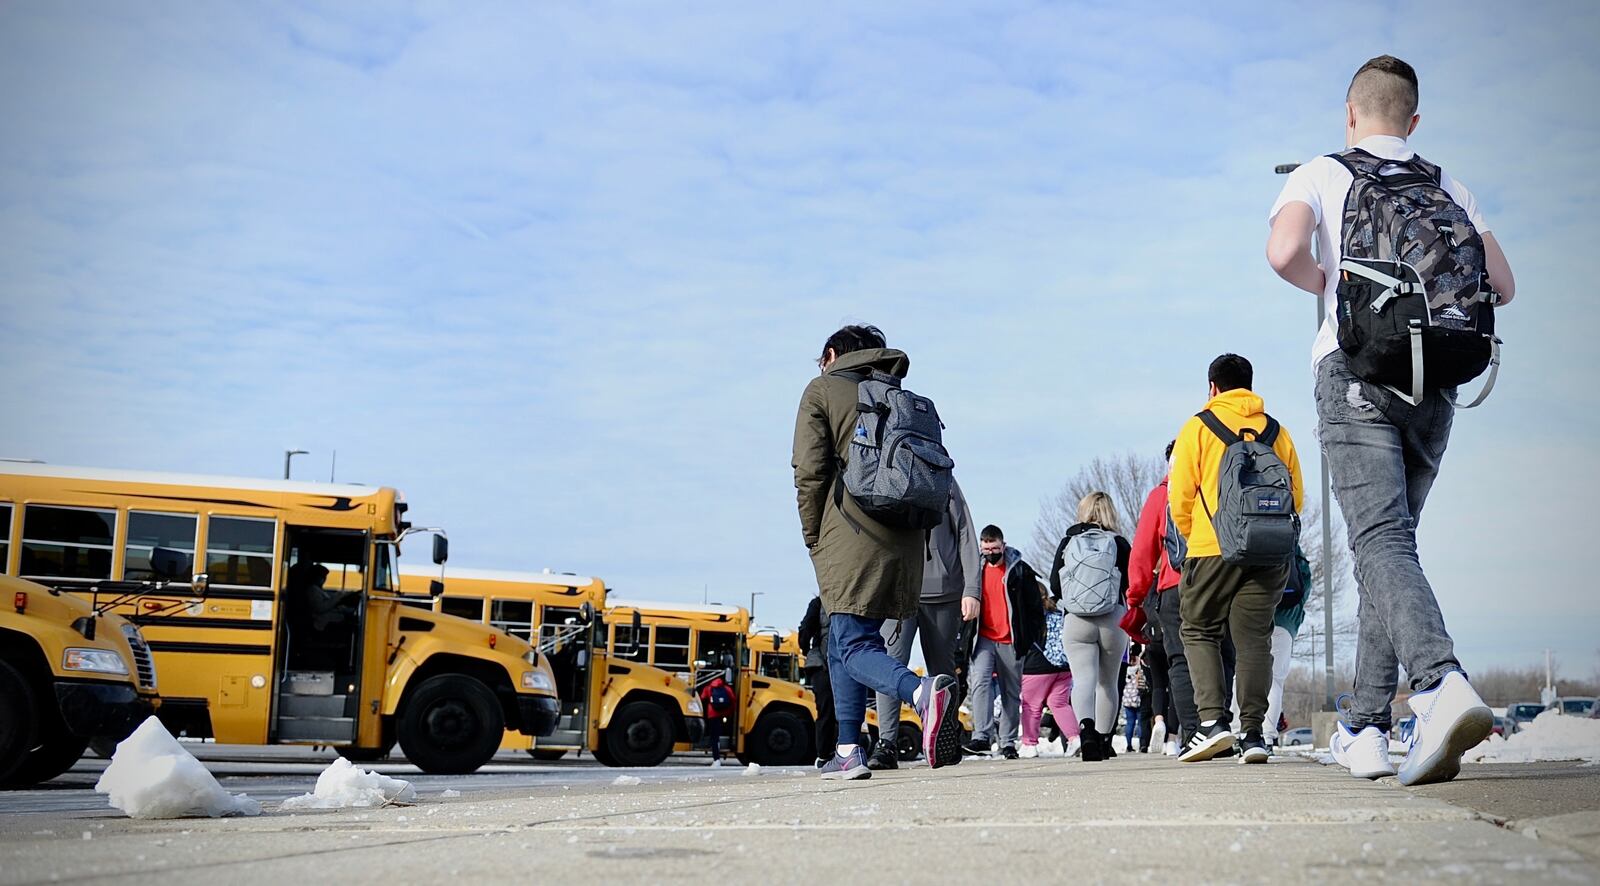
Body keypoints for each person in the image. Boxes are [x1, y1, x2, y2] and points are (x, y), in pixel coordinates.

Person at [1267, 55, 1513, 785]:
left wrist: (1328, 279)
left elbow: (1283, 249)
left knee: (1377, 541)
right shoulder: (1449, 185)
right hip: (1436, 379)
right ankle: (1365, 728)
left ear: (1351, 115)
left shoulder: (1322, 171)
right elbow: (1502, 284)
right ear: (1412, 121)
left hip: (1357, 366)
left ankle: (1438, 683)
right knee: (1391, 544)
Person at [792, 324, 960, 779]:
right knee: (851, 639)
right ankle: (848, 749)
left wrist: (813, 536)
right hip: (905, 539)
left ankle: (921, 694)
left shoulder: (822, 389)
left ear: (831, 354)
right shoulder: (899, 397)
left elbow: (809, 471)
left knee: (848, 643)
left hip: (849, 534)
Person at [1170, 354, 1304, 764]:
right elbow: (1295, 496)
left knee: (1197, 629)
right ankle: (1253, 733)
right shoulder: (1277, 432)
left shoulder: (1198, 427)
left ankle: (1211, 724)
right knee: (1254, 641)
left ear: (1213, 387)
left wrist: (1198, 537)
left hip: (1212, 549)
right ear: (1249, 385)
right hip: (1268, 551)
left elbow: (1180, 498)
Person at [869, 476, 980, 770]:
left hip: (944, 590)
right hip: (899, 588)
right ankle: (887, 743)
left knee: (943, 670)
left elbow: (966, 532)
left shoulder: (946, 481)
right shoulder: (887, 474)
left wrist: (972, 590)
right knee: (890, 665)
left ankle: (948, 737)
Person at [1050, 492, 1132, 762]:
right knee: (1107, 683)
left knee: (1083, 680)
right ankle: (1104, 739)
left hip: (1077, 621)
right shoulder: (1119, 543)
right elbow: (1131, 583)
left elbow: (1054, 584)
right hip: (1112, 619)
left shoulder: (1068, 542)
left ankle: (1085, 732)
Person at [1124, 442, 1185, 755]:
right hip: (1214, 583)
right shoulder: (1215, 488)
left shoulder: (1161, 496)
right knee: (1207, 659)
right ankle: (1201, 727)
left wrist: (1134, 598)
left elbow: (1141, 555)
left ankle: (1169, 728)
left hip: (1170, 593)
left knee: (1171, 672)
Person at [961, 525, 1040, 759]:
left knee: (1010, 693)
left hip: (1011, 640)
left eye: (994, 548)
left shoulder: (1019, 571)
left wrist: (1030, 639)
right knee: (980, 683)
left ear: (1003, 546)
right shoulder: (976, 571)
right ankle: (981, 736)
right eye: (986, 549)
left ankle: (1007, 742)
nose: (990, 553)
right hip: (983, 638)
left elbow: (1034, 607)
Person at [1019, 579, 1076, 758]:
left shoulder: (1028, 617)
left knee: (1031, 705)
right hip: (1063, 667)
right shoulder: (1057, 614)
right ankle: (1074, 738)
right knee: (1059, 704)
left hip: (1036, 668)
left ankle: (1029, 744)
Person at [798, 595, 836, 767]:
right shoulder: (821, 603)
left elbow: (805, 631)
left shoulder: (819, 603)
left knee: (826, 709)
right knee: (841, 708)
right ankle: (833, 751)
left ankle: (825, 753)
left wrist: (808, 649)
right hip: (827, 662)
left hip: (820, 662)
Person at [699, 674, 736, 763]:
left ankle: (716, 758)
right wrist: (730, 712)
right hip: (724, 715)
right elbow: (733, 699)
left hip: (712, 715)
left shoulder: (708, 688)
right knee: (720, 733)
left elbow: (702, 698)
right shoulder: (727, 688)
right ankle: (722, 748)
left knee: (714, 737)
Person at [1120, 650, 1145, 752]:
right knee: (1140, 723)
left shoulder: (1124, 669)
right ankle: (1141, 744)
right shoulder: (1139, 670)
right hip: (1137, 698)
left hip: (1127, 699)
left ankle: (1129, 745)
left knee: (1129, 723)